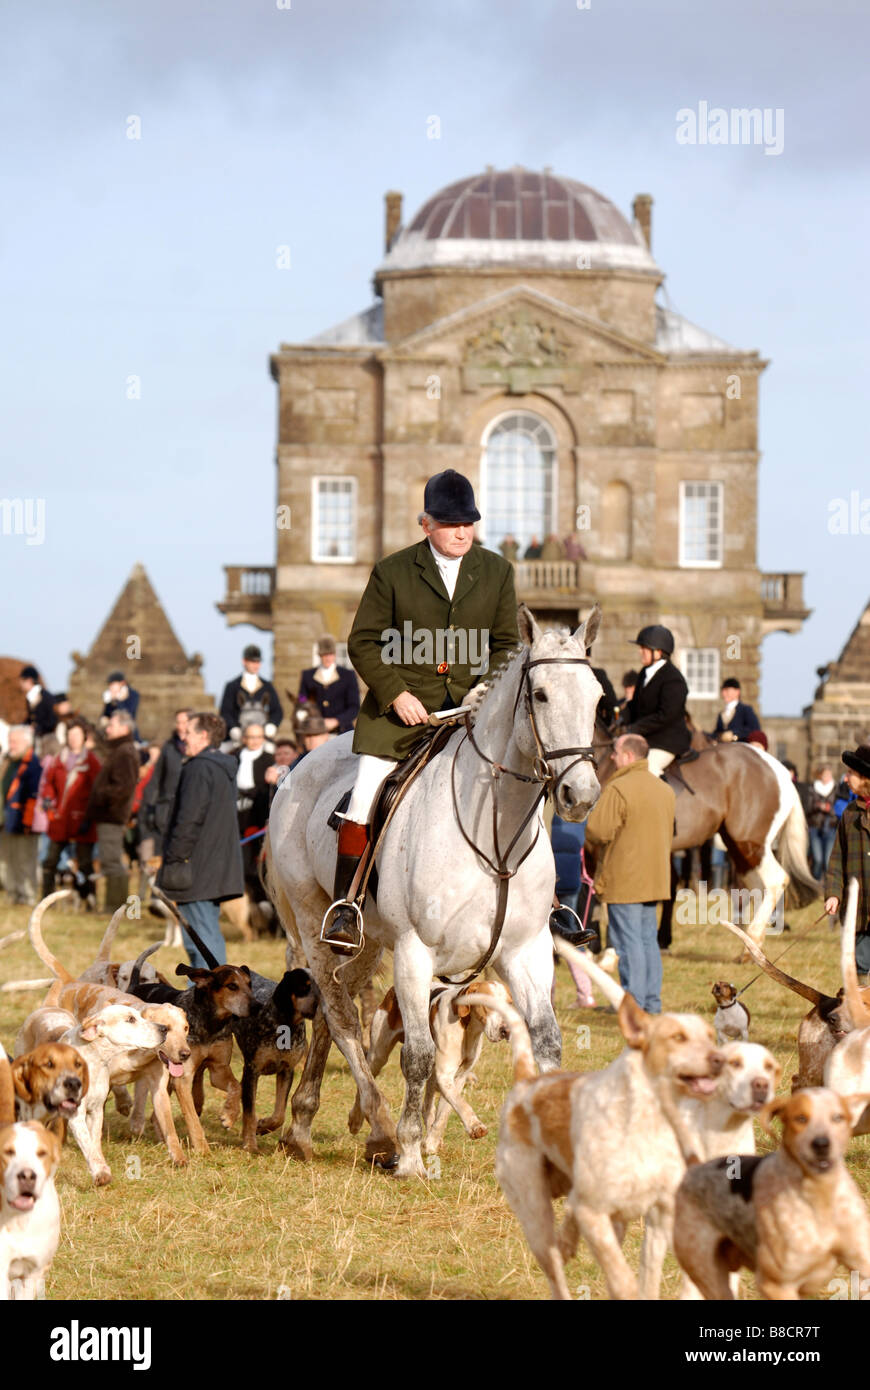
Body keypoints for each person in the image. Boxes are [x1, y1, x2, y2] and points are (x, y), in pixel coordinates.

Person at [322, 468, 519, 951]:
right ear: (425, 523)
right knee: (366, 792)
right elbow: (363, 643)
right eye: (451, 524)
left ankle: (548, 903)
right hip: (399, 716)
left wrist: (484, 690)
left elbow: (507, 644)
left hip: (471, 715)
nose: (461, 533)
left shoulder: (497, 571)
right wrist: (395, 694)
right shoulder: (393, 571)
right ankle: (346, 904)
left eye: (468, 524)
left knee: (523, 781)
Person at [584, 732, 676, 1013]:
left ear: (628, 756)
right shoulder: (664, 789)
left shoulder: (618, 787)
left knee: (628, 942)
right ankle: (651, 1003)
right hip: (656, 878)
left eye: (615, 752)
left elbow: (597, 830)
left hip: (625, 876)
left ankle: (633, 1004)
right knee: (648, 940)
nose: (611, 756)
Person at [157, 712, 244, 969]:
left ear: (204, 736)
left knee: (200, 938)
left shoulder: (198, 768)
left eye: (190, 732)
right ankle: (208, 993)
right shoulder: (221, 767)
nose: (183, 737)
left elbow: (189, 819)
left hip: (195, 864)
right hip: (214, 864)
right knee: (203, 932)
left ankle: (213, 996)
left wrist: (174, 856)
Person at [40, 717, 101, 900]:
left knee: (84, 862)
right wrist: (48, 798)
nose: (73, 738)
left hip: (82, 819)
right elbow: (48, 784)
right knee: (50, 860)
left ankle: (88, 898)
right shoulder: (59, 759)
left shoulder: (91, 762)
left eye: (77, 734)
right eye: (70, 735)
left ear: (84, 737)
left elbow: (96, 791)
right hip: (60, 818)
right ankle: (46, 897)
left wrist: (89, 817)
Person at [87, 708, 140, 911]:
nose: (107, 729)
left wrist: (100, 795)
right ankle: (116, 906)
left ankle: (115, 907)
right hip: (110, 814)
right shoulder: (119, 750)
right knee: (110, 861)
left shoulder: (124, 752)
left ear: (124, 728)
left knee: (112, 862)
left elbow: (123, 788)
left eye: (112, 725)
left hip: (112, 815)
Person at [825, 744, 870, 979]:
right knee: (860, 968)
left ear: (865, 778)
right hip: (860, 911)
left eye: (851, 773)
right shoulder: (849, 814)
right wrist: (834, 894)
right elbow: (836, 860)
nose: (846, 778)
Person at [622, 625, 690, 776]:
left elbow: (666, 716)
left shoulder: (674, 679)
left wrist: (636, 727)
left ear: (658, 652)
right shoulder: (644, 673)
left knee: (647, 768)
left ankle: (661, 798)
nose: (640, 652)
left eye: (644, 648)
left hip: (666, 742)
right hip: (645, 739)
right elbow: (635, 706)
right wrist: (620, 718)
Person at [0, 725, 42, 904]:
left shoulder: (33, 763)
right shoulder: (9, 762)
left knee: (26, 860)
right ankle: (14, 894)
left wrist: (28, 823)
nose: (11, 745)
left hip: (24, 821)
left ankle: (28, 895)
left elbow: (34, 796)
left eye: (14, 741)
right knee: (8, 860)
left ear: (26, 742)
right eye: (10, 741)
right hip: (7, 820)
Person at [233, 723, 275, 899]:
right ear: (244, 739)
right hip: (236, 817)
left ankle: (260, 900)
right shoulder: (234, 757)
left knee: (257, 863)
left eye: (258, 737)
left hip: (258, 819)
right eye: (251, 737)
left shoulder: (269, 759)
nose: (255, 741)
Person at [219, 645, 283, 745]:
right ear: (244, 661)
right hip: (238, 737)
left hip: (261, 737)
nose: (256, 665)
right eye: (252, 662)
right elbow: (225, 711)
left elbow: (277, 710)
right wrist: (233, 728)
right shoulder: (232, 686)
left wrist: (272, 724)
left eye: (258, 662)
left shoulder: (267, 686)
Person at [297, 636, 360, 734]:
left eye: (330, 654)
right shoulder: (307, 676)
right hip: (315, 731)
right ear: (319, 655)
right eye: (324, 654)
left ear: (335, 654)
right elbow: (302, 698)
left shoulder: (348, 675)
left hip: (342, 731)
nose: (328, 658)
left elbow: (354, 707)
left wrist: (337, 720)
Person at [808, 763, 838, 882]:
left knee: (827, 860)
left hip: (830, 827)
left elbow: (838, 808)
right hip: (815, 827)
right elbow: (808, 807)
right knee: (817, 859)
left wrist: (828, 809)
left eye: (829, 774)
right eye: (825, 774)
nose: (828, 776)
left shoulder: (836, 788)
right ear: (820, 775)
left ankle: (828, 886)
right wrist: (818, 806)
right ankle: (815, 884)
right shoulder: (813, 788)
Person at [18, 666, 57, 742]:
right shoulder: (29, 697)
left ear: (29, 680)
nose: (21, 684)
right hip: (36, 736)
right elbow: (31, 718)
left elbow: (52, 720)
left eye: (22, 681)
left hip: (47, 738)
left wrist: (37, 728)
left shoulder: (46, 697)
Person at [101, 672, 140, 738]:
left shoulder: (133, 695)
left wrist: (119, 700)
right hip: (113, 730)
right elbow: (106, 714)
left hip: (128, 732)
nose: (110, 687)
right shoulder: (110, 696)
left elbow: (129, 714)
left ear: (122, 683)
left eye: (112, 684)